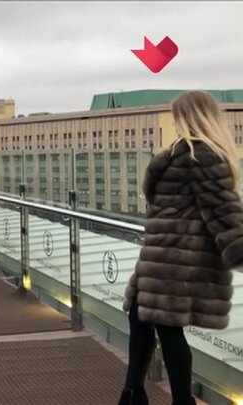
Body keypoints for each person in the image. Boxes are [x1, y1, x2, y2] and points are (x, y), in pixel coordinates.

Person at [118, 90, 243, 405]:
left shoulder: (202, 156)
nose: (175, 121)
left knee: (167, 329)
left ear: (191, 116)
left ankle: (171, 399)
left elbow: (225, 212)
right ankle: (134, 393)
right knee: (140, 318)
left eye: (178, 115)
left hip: (179, 260)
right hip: (161, 257)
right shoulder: (183, 152)